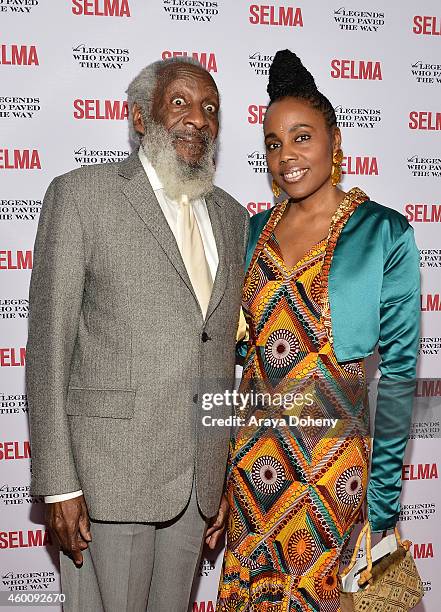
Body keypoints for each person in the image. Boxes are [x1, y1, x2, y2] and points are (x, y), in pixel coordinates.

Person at [26, 57, 249, 612]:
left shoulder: (233, 217)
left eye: (210, 108)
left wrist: (219, 472)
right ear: (139, 117)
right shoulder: (82, 196)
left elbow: (217, 352)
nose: (197, 119)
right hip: (108, 479)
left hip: (196, 483)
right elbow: (49, 348)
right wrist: (59, 483)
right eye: (179, 102)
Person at [217, 50, 420, 611]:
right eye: (273, 143)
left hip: (330, 476)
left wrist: (381, 506)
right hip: (253, 467)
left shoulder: (385, 233)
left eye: (301, 137)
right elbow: (239, 350)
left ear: (334, 139)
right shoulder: (253, 232)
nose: (286, 157)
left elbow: (401, 376)